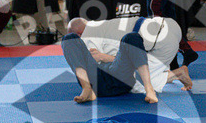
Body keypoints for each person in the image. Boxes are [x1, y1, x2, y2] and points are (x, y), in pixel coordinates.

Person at [61, 16, 191, 104]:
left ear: (80, 34)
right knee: (68, 39)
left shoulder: (90, 34)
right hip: (97, 81)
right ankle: (86, 88)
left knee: (131, 38)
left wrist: (102, 57)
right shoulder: (101, 27)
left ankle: (150, 88)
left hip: (119, 77)